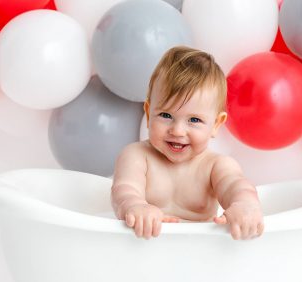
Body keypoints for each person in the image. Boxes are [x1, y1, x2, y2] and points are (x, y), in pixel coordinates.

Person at [111, 46, 264, 240]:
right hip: (146, 249)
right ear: (149, 113)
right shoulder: (137, 156)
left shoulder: (216, 166)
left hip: (197, 254)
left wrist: (245, 205)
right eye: (166, 115)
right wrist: (135, 206)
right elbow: (124, 190)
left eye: (194, 120)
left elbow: (237, 186)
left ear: (216, 124)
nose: (177, 131)